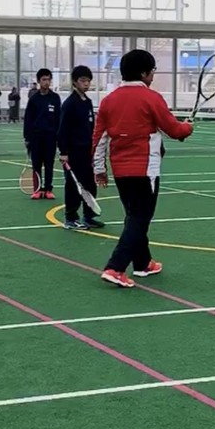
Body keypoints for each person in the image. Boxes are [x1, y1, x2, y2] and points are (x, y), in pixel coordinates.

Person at [92, 49, 193, 287]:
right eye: (153, 71)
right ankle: (115, 267)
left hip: (120, 170)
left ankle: (143, 263)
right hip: (145, 169)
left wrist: (99, 169)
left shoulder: (109, 100)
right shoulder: (151, 98)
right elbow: (174, 130)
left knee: (134, 216)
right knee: (140, 218)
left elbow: (99, 138)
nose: (153, 75)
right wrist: (187, 127)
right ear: (144, 73)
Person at [58, 65, 102, 229]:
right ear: (75, 82)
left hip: (87, 151)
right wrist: (63, 152)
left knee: (90, 184)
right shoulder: (69, 104)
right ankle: (70, 218)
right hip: (73, 152)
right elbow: (62, 129)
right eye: (83, 80)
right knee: (73, 186)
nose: (86, 84)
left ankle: (89, 216)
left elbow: (91, 128)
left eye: (88, 81)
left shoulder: (88, 102)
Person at [23, 68, 61, 200]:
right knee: (36, 165)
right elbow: (28, 119)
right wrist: (27, 137)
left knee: (49, 164)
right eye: (44, 79)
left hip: (51, 137)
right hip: (36, 137)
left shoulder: (55, 98)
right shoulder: (34, 99)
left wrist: (59, 136)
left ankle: (48, 189)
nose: (47, 82)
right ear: (39, 81)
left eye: (49, 79)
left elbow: (59, 118)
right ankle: (37, 190)